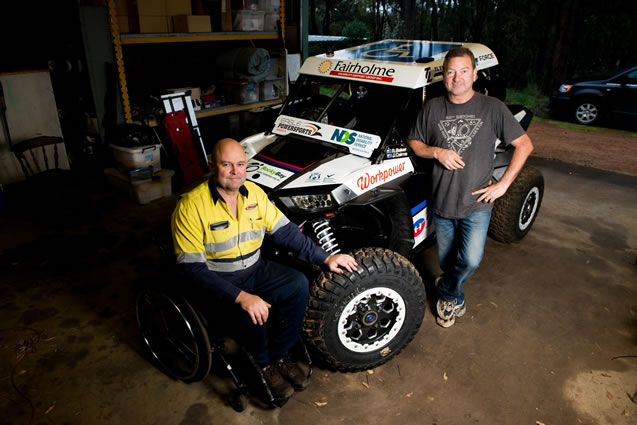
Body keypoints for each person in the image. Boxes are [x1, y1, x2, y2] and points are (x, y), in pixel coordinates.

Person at [171, 138, 357, 405]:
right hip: (217, 280)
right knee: (252, 314)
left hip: (255, 268)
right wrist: (241, 297)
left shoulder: (255, 194)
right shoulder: (191, 205)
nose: (235, 171)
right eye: (226, 165)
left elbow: (287, 233)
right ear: (212, 165)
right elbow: (192, 270)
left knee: (297, 284)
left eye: (240, 164)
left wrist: (325, 257)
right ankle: (263, 365)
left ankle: (280, 355)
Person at [407, 47, 534, 328]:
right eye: (451, 72)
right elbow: (415, 142)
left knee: (471, 260)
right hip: (441, 202)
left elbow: (525, 145)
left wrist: (503, 185)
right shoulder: (432, 108)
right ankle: (455, 292)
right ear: (444, 76)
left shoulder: (493, 108)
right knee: (448, 260)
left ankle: (448, 294)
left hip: (478, 201)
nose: (457, 78)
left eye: (464, 71)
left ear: (475, 74)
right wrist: (437, 152)